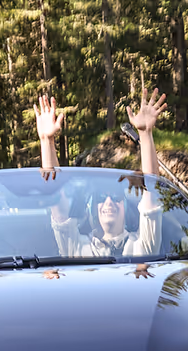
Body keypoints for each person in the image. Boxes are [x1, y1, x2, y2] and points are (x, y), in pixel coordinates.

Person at [36, 88, 167, 259]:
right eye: (101, 197)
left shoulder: (142, 246)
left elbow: (150, 193)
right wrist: (47, 141)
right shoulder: (77, 248)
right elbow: (57, 201)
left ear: (125, 207)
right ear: (93, 209)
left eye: (115, 196)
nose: (108, 202)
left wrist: (145, 133)